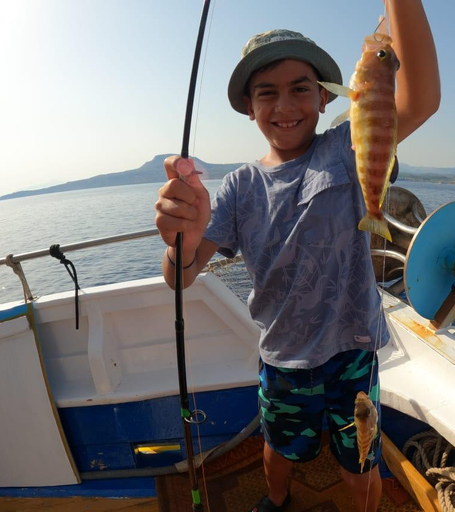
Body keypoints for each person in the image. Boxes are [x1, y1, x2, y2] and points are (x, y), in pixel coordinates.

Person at [155, 2, 439, 510]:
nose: (285, 105)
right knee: (278, 448)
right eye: (267, 93)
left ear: (328, 98)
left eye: (300, 89)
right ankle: (279, 501)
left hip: (353, 351)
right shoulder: (240, 187)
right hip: (282, 358)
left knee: (361, 463)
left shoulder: (345, 149)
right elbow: (183, 277)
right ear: (249, 107)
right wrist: (182, 241)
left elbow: (422, 100)